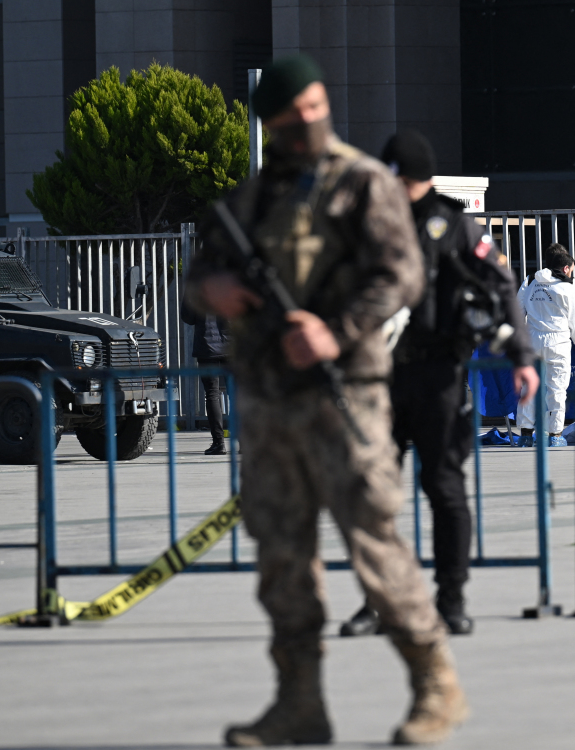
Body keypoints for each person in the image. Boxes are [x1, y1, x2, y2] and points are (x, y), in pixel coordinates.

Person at [187, 56, 468, 746]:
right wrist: (211, 293)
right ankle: (299, 703)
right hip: (270, 404)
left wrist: (334, 333)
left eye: (316, 107)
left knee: (375, 543)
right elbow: (201, 270)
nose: (309, 122)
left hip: (345, 398)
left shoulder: (363, 183)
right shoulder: (251, 198)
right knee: (282, 558)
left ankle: (436, 686)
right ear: (273, 125)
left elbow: (401, 276)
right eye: (293, 117)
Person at [338, 129, 538, 640]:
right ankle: (376, 601)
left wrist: (521, 355)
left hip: (438, 376)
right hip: (379, 375)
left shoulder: (455, 226)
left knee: (445, 489)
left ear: (408, 177)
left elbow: (501, 286)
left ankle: (450, 598)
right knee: (372, 496)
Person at [517, 244, 575, 447]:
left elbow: (517, 311)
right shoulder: (570, 285)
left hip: (532, 341)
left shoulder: (530, 281)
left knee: (528, 387)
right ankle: (555, 435)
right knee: (556, 389)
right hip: (558, 342)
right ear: (565, 268)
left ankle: (526, 435)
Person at [182, 303, 231, 455]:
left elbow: (188, 317)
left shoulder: (197, 284)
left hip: (207, 345)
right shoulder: (234, 280)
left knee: (212, 394)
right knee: (237, 394)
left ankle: (219, 443)